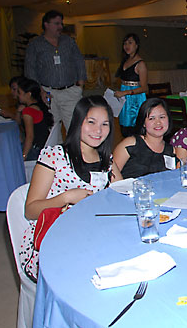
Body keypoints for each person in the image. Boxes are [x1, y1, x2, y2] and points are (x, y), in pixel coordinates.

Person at [20, 96, 121, 281]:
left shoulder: (106, 160)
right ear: (77, 122)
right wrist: (66, 198)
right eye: (91, 122)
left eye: (105, 124)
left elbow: (122, 194)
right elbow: (30, 210)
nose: (98, 130)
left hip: (93, 232)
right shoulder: (54, 156)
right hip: (54, 236)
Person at [24, 10, 86, 132]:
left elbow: (79, 61)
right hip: (47, 93)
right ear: (46, 24)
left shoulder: (68, 41)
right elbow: (30, 70)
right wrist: (40, 91)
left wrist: (81, 84)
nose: (60, 27)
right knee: (52, 129)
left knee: (75, 128)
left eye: (61, 23)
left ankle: (74, 146)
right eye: (57, 24)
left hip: (70, 92)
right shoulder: (35, 45)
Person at [114, 98, 178, 178]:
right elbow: (110, 175)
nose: (158, 122)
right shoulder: (131, 144)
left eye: (162, 117)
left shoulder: (171, 150)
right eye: (151, 118)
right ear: (143, 123)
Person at [114, 34, 148, 137]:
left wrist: (126, 92)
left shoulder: (140, 64)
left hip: (135, 101)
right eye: (125, 43)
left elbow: (145, 88)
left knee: (135, 130)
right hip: (125, 100)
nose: (126, 46)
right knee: (124, 129)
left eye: (130, 43)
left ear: (136, 45)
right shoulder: (125, 61)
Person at [17, 78, 54, 161]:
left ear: (28, 94)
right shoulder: (40, 106)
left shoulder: (28, 111)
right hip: (45, 146)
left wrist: (23, 156)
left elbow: (30, 137)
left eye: (19, 93)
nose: (18, 95)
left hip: (36, 150)